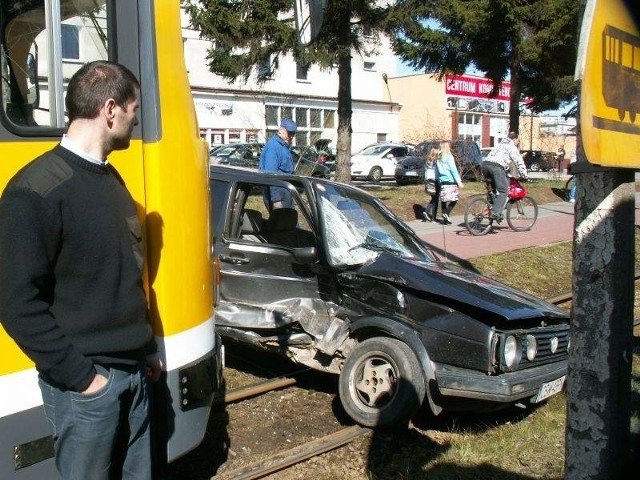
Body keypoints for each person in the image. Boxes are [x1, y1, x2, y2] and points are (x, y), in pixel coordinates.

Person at [0, 60, 162, 480]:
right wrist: (85, 380)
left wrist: (144, 352)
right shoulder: (33, 191)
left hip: (134, 376)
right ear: (110, 110)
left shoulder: (112, 181)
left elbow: (123, 276)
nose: (135, 117)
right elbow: (14, 301)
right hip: (88, 389)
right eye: (132, 108)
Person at [481, 132, 528, 222]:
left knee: (495, 191)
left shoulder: (500, 145)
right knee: (504, 191)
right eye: (518, 140)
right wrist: (525, 176)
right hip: (496, 168)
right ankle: (495, 213)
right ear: (514, 139)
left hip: (485, 166)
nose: (518, 142)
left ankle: (492, 207)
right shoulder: (511, 147)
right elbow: (519, 162)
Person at [259, 118, 297, 210]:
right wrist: (276, 200)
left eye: (293, 133)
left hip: (286, 194)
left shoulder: (283, 147)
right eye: (290, 133)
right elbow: (270, 175)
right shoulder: (273, 147)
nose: (292, 136)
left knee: (291, 223)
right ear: (281, 130)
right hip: (278, 198)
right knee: (284, 224)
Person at [436, 141, 464, 224]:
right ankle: (446, 213)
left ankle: (445, 219)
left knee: (444, 199)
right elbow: (453, 170)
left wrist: (438, 179)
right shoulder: (449, 156)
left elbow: (437, 170)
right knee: (454, 198)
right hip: (450, 180)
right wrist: (459, 181)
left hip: (442, 180)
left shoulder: (439, 157)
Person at [422, 146, 440, 222]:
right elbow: (438, 171)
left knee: (433, 198)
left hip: (428, 181)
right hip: (435, 180)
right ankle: (433, 218)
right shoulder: (436, 162)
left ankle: (427, 211)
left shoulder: (427, 162)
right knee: (436, 199)